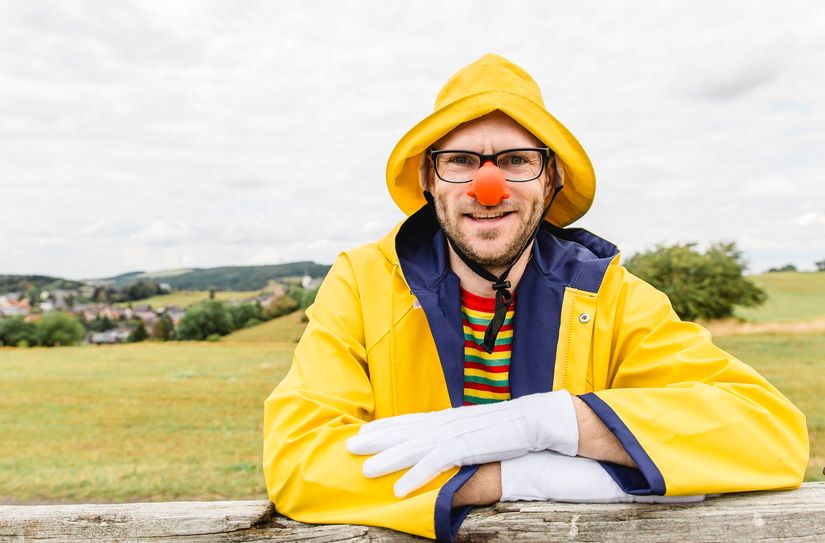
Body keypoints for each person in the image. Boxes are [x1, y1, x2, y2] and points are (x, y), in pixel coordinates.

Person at [262, 54, 809, 542]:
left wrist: (550, 422)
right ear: (430, 178)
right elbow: (300, 460)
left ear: (550, 181)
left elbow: (768, 433)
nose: (488, 187)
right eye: (460, 160)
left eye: (518, 160)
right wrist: (524, 475)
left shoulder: (611, 294)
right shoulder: (362, 282)